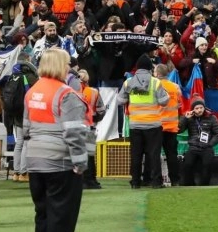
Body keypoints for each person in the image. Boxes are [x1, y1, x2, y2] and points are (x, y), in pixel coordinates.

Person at [24, 48, 88, 232]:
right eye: (67, 63)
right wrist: (80, 162)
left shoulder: (32, 91)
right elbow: (74, 132)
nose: (69, 67)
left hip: (35, 160)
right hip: (60, 163)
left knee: (42, 215)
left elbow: (25, 128)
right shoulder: (65, 93)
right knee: (61, 220)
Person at [117, 54, 170, 189]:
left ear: (137, 67)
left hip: (135, 124)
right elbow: (164, 101)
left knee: (136, 154)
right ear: (149, 68)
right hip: (153, 124)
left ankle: (135, 182)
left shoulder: (128, 82)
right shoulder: (155, 82)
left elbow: (120, 100)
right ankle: (156, 182)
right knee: (154, 154)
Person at [178, 96, 218, 186]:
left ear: (204, 108)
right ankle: (190, 185)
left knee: (207, 165)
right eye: (197, 108)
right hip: (193, 147)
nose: (199, 110)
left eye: (201, 108)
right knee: (187, 164)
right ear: (193, 109)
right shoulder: (189, 118)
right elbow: (178, 130)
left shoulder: (212, 117)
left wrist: (209, 144)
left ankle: (204, 185)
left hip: (207, 147)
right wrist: (185, 118)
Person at [154, 63, 183, 186]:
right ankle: (175, 180)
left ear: (157, 74)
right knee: (172, 155)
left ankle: (157, 180)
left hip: (157, 126)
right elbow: (180, 104)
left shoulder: (154, 86)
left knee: (155, 154)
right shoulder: (175, 87)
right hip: (172, 126)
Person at [78, 69, 105, 189]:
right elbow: (101, 110)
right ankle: (91, 180)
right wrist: (95, 119)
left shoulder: (72, 91)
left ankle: (82, 181)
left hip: (76, 127)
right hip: (90, 126)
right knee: (90, 154)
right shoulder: (94, 92)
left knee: (78, 153)